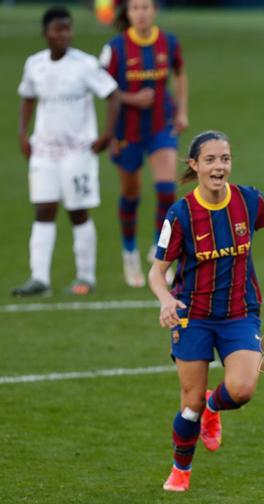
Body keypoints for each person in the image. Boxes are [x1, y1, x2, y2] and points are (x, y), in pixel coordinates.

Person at [149, 131, 264, 492]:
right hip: (193, 315)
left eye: (225, 159)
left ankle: (214, 409)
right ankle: (180, 470)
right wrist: (166, 300)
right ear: (194, 165)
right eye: (211, 159)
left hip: (239, 311)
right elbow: (157, 271)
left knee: (243, 389)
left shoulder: (249, 201)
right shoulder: (182, 213)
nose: (220, 166)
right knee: (190, 404)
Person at [13, 6, 119, 297]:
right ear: (45, 33)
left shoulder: (84, 64)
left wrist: (107, 134)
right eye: (58, 29)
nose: (64, 34)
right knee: (43, 209)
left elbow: (112, 95)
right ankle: (39, 279)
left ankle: (85, 276)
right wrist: (23, 133)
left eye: (68, 28)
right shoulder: (34, 64)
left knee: (77, 211)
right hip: (44, 150)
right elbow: (27, 98)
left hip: (78, 151)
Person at [100, 0, 188, 288]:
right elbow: (102, 88)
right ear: (128, 13)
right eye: (135, 7)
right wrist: (129, 99)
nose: (141, 12)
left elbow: (180, 74)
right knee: (131, 193)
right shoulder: (115, 48)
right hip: (127, 131)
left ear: (155, 10)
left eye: (146, 6)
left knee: (166, 189)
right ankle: (129, 252)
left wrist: (182, 111)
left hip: (161, 126)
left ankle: (157, 251)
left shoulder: (169, 43)